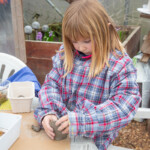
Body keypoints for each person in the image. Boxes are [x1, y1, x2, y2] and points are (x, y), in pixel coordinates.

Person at [34, 0, 141, 149]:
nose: (80, 46)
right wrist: (48, 112)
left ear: (106, 30)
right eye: (74, 41)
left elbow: (124, 107)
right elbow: (51, 84)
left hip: (93, 141)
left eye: (87, 40)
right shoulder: (66, 54)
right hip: (60, 138)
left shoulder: (119, 64)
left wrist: (82, 121)